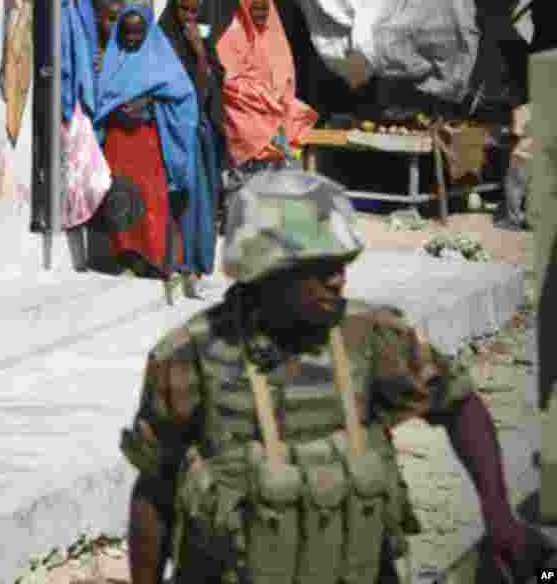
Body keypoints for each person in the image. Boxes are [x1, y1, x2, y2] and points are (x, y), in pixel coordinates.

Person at [120, 169, 556, 583]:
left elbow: (460, 406)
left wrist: (500, 517)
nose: (338, 279)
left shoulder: (371, 338)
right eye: (321, 266)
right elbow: (153, 490)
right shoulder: (190, 357)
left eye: (343, 263)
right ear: (265, 270)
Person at [95, 5, 199, 305]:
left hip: (148, 141)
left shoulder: (163, 60)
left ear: (148, 32)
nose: (132, 37)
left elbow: (184, 96)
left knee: (152, 198)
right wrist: (117, 108)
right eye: (126, 32)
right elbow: (100, 98)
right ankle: (126, 256)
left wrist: (149, 102)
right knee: (120, 197)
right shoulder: (111, 61)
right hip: (118, 140)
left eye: (138, 32)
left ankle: (153, 258)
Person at [216, 0, 317, 211]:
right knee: (245, 175)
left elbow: (287, 76)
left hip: (276, 117)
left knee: (281, 171)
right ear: (244, 9)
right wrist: (259, 96)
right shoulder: (232, 39)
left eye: (264, 9)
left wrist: (279, 96)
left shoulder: (275, 38)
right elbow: (226, 80)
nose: (260, 15)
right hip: (245, 122)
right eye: (255, 9)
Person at [158, 0, 223, 299]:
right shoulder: (164, 39)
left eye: (195, 11)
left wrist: (201, 52)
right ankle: (179, 267)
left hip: (201, 128)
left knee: (203, 199)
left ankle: (197, 267)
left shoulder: (202, 40)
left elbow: (214, 78)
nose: (189, 16)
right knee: (184, 199)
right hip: (174, 128)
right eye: (184, 9)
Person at [59, 0, 112, 270]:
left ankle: (78, 254)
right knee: (87, 175)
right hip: (61, 93)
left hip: (78, 95)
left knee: (86, 175)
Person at [498, 102, 532, 231]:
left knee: (514, 187)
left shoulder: (522, 110)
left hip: (523, 154)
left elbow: (517, 133)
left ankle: (514, 221)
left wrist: (506, 131)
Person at [94, 0, 127, 73]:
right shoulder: (90, 51)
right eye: (112, 19)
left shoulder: (128, 51)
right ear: (97, 18)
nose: (118, 24)